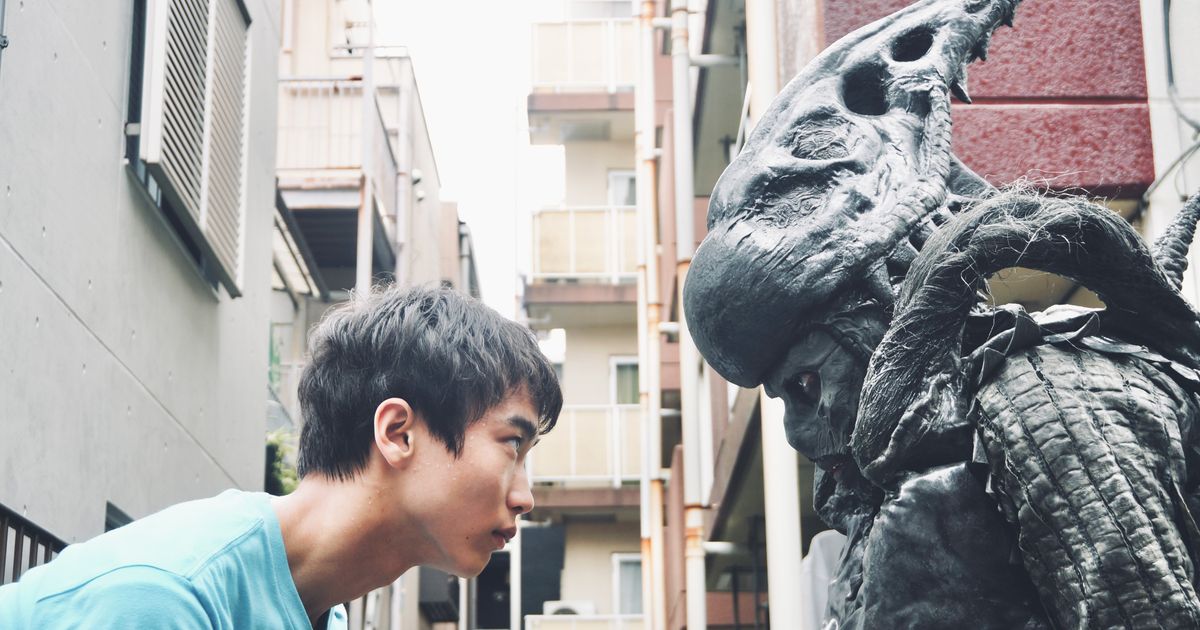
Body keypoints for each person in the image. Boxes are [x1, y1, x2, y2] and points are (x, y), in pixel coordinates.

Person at [0, 285, 562, 629]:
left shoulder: (319, 608)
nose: (525, 498)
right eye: (512, 445)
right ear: (397, 433)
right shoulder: (166, 597)